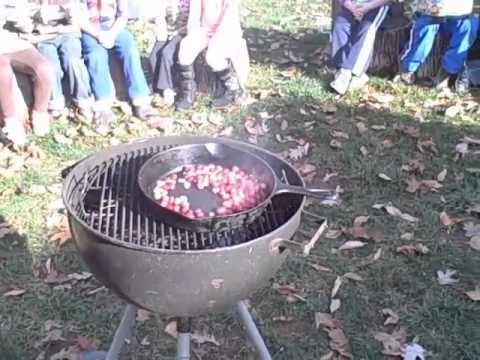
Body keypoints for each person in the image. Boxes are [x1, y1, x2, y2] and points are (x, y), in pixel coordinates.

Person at [79, 0, 163, 124]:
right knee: (96, 55)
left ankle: (141, 100)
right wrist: (97, 35)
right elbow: (78, 18)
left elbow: (122, 16)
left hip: (114, 27)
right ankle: (103, 104)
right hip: (90, 30)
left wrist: (112, 34)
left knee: (129, 48)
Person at [0, 0, 53, 146]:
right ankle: (10, 122)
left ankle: (39, 113)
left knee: (43, 68)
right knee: (3, 72)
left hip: (15, 41)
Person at [396, 0, 479, 92]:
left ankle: (447, 74)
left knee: (468, 25)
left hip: (458, 16)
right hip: (426, 13)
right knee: (426, 28)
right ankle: (407, 69)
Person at [176, 0, 243, 110]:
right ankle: (188, 93)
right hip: (204, 30)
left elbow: (229, 18)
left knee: (213, 56)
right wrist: (193, 34)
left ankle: (233, 89)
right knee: (185, 48)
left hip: (227, 31)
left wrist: (216, 38)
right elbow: (194, 16)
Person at [32, 1, 93, 119]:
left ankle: (83, 101)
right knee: (51, 66)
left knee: (73, 62)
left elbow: (80, 10)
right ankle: (55, 105)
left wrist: (72, 14)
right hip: (43, 37)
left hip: (68, 34)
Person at [330, 0, 391, 95]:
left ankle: (355, 73)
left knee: (367, 29)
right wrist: (351, 7)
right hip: (352, 5)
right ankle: (342, 71)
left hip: (376, 6)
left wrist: (368, 6)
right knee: (340, 24)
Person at [149, 0, 190, 106]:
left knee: (166, 53)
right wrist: (163, 36)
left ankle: (168, 90)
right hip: (167, 33)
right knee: (153, 56)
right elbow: (160, 17)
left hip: (184, 33)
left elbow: (194, 20)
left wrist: (177, 33)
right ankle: (158, 90)